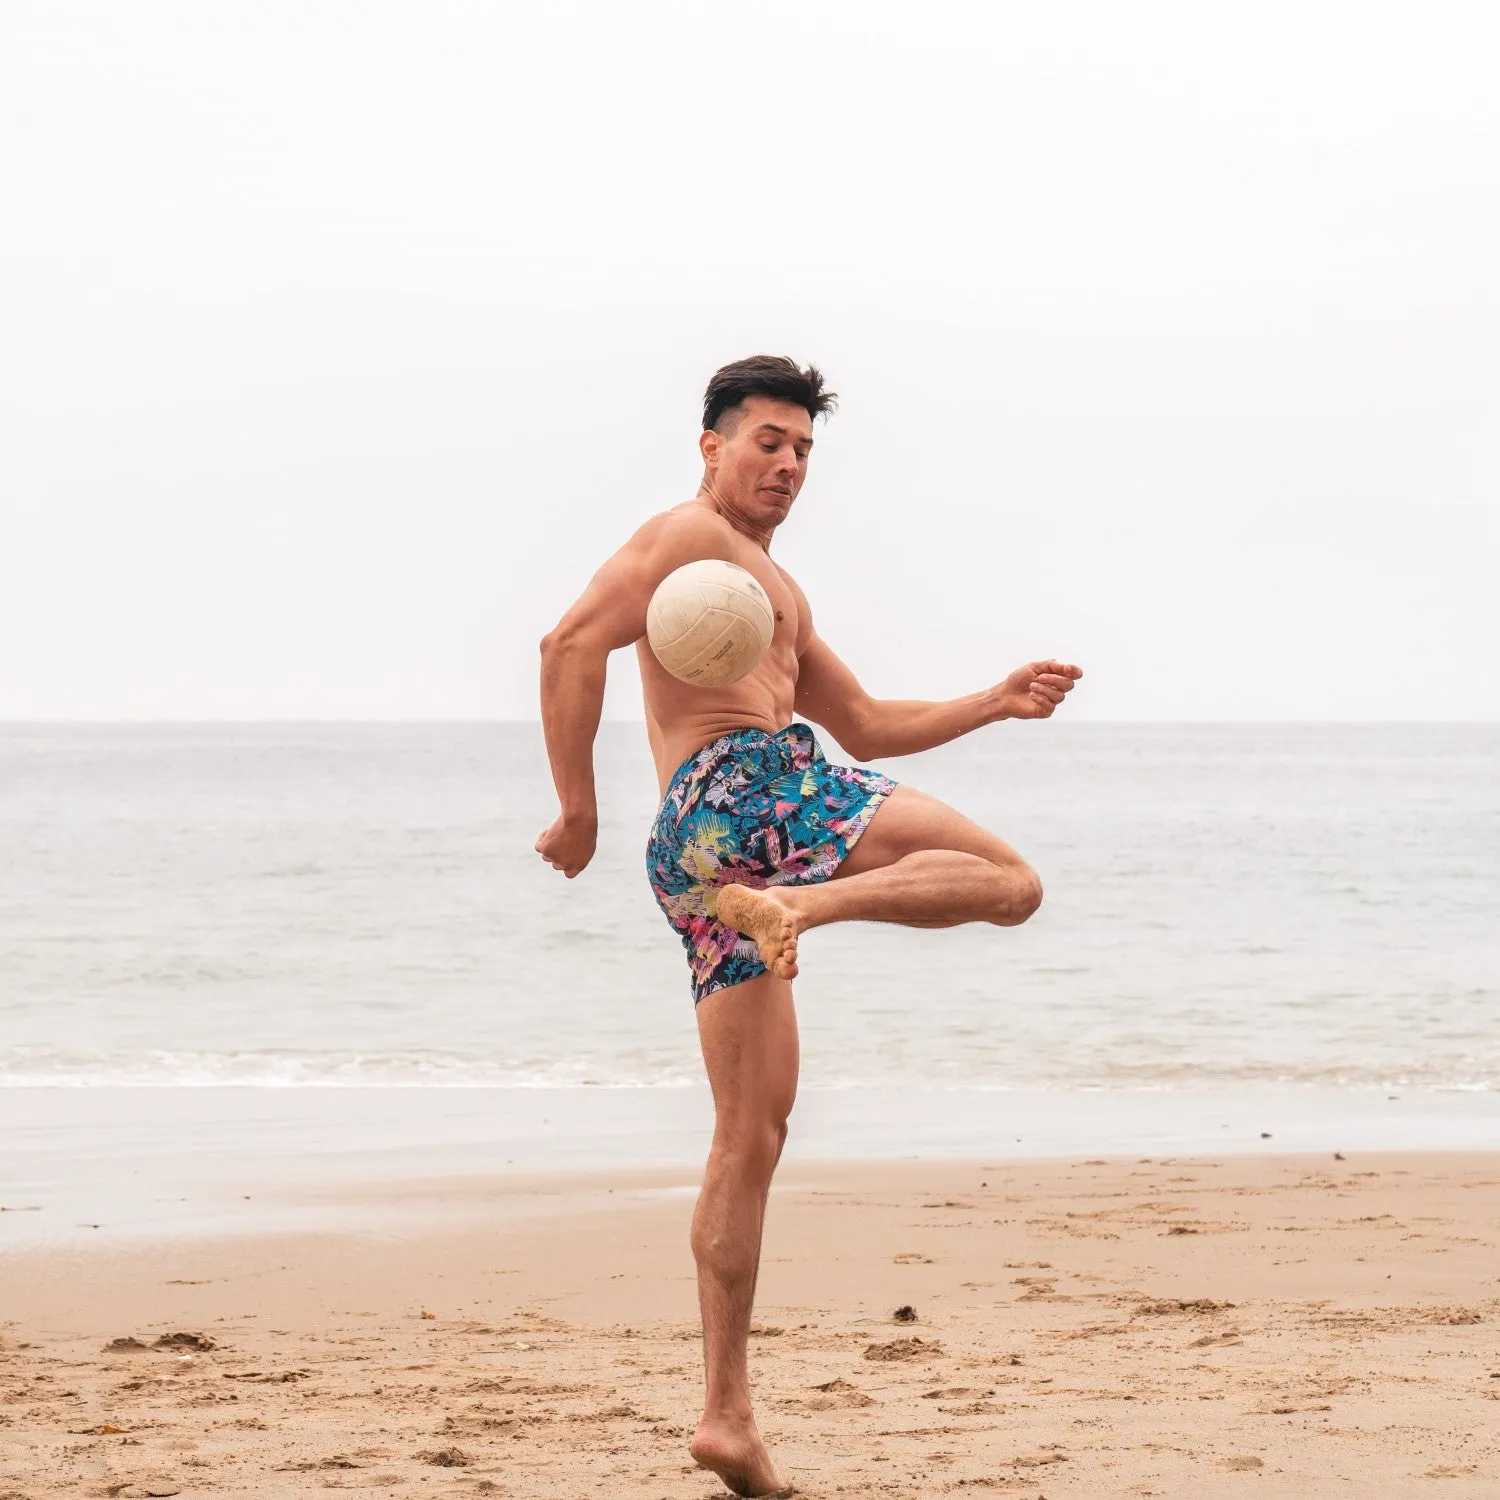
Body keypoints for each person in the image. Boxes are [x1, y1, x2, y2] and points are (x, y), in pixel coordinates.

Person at [536, 355, 1082, 1497]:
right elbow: (568, 644)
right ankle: (806, 907)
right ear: (711, 445)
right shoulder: (688, 541)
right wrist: (575, 809)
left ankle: (726, 1417)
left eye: (801, 451)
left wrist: (994, 699)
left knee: (751, 1138)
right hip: (753, 791)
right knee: (1011, 880)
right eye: (766, 441)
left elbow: (870, 727)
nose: (785, 464)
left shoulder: (772, 587)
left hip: (695, 855)